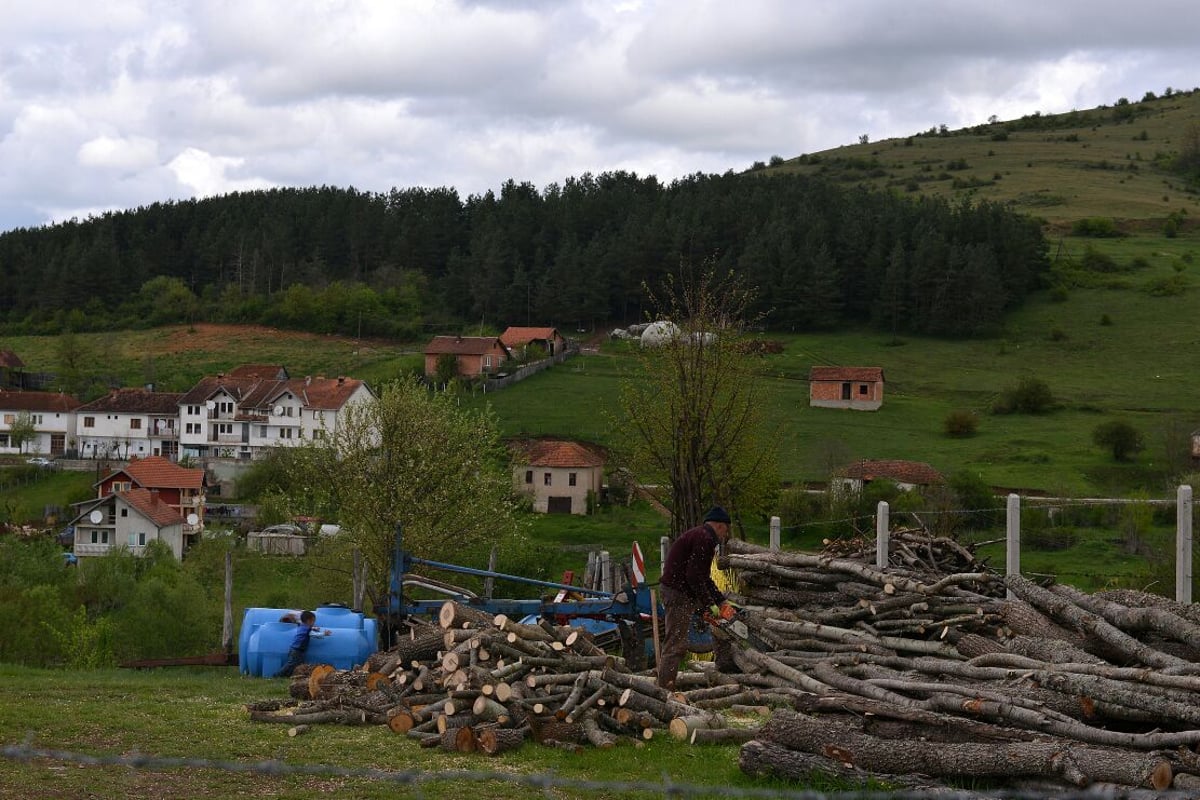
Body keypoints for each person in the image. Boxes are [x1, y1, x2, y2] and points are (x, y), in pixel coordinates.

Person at [655, 505, 738, 690]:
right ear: (719, 526)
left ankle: (665, 684)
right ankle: (664, 690)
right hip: (677, 593)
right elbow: (694, 576)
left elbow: (703, 577)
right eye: (725, 530)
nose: (725, 535)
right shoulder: (705, 539)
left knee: (676, 642)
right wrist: (709, 604)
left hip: (680, 590)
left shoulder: (700, 535)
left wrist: (720, 600)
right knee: (676, 643)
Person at [273, 610, 329, 678]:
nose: (314, 623)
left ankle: (290, 675)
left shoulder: (302, 626)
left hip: (297, 649)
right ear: (309, 621)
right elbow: (314, 635)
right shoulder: (306, 629)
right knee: (291, 664)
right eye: (313, 621)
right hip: (297, 650)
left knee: (297, 664)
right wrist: (324, 634)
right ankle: (277, 675)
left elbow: (309, 629)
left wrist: (313, 628)